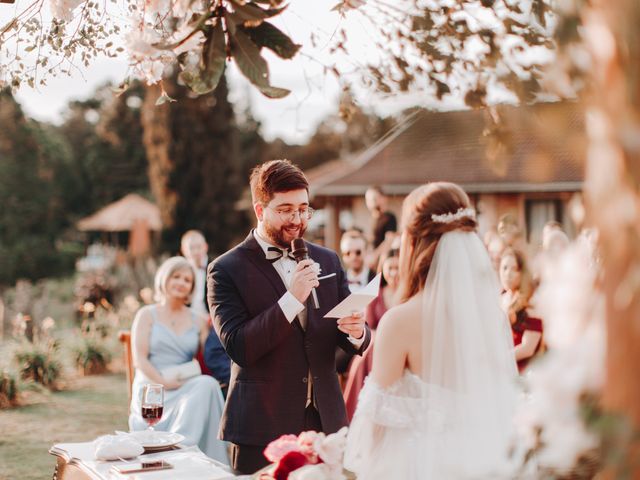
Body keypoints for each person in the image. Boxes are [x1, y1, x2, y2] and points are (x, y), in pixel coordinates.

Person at [344, 182, 518, 479]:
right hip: (483, 464)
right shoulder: (494, 319)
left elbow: (373, 424)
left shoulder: (399, 321)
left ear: (413, 243)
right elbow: (505, 404)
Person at [208, 159, 371, 475]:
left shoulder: (328, 259)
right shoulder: (225, 269)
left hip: (327, 423)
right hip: (262, 424)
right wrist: (291, 299)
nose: (297, 219)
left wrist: (356, 332)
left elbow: (338, 340)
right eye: (285, 210)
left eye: (304, 209)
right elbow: (239, 346)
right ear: (260, 210)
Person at [128, 256, 229, 463]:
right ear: (164, 279)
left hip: (184, 384)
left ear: (192, 287)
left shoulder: (199, 320)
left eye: (187, 280)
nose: (181, 283)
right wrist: (162, 383)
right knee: (201, 387)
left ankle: (184, 448)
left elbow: (210, 357)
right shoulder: (146, 315)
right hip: (152, 386)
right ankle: (175, 450)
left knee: (208, 384)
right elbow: (139, 360)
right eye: (176, 277)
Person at [343, 244, 400, 420]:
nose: (394, 273)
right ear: (383, 268)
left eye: (398, 268)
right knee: (369, 348)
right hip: (377, 344)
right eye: (390, 268)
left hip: (400, 344)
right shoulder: (377, 295)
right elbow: (368, 325)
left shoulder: (408, 294)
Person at [180, 230, 231, 393]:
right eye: (191, 248)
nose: (195, 251)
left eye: (198, 246)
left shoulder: (217, 267)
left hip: (211, 320)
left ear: (205, 247)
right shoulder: (179, 273)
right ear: (184, 250)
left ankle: (214, 382)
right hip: (187, 320)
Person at [499, 248, 544, 372]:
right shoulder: (500, 298)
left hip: (521, 371)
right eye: (505, 268)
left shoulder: (531, 301)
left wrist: (499, 360)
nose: (508, 274)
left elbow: (528, 348)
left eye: (515, 269)